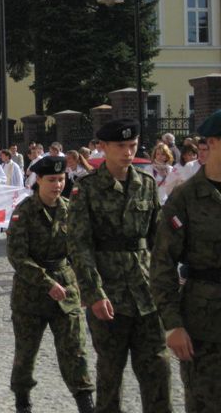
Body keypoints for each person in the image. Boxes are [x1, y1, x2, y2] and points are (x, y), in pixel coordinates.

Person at [67, 118, 172, 413]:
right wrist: (94, 293)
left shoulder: (146, 185)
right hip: (109, 294)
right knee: (111, 374)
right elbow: (79, 245)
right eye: (121, 146)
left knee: (158, 369)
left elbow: (158, 242)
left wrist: (166, 288)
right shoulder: (86, 188)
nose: (128, 152)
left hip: (146, 293)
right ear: (103, 148)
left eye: (132, 146)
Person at [8, 156, 94, 413]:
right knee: (26, 354)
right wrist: (46, 283)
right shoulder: (23, 212)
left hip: (66, 291)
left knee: (75, 350)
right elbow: (17, 257)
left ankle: (85, 401)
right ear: (39, 181)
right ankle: (22, 401)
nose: (57, 185)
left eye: (61, 179)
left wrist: (87, 287)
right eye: (51, 180)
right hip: (30, 295)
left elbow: (80, 251)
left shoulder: (71, 209)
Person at [151, 110, 221, 413]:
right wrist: (173, 325)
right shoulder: (185, 198)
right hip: (204, 326)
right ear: (214, 142)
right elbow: (162, 265)